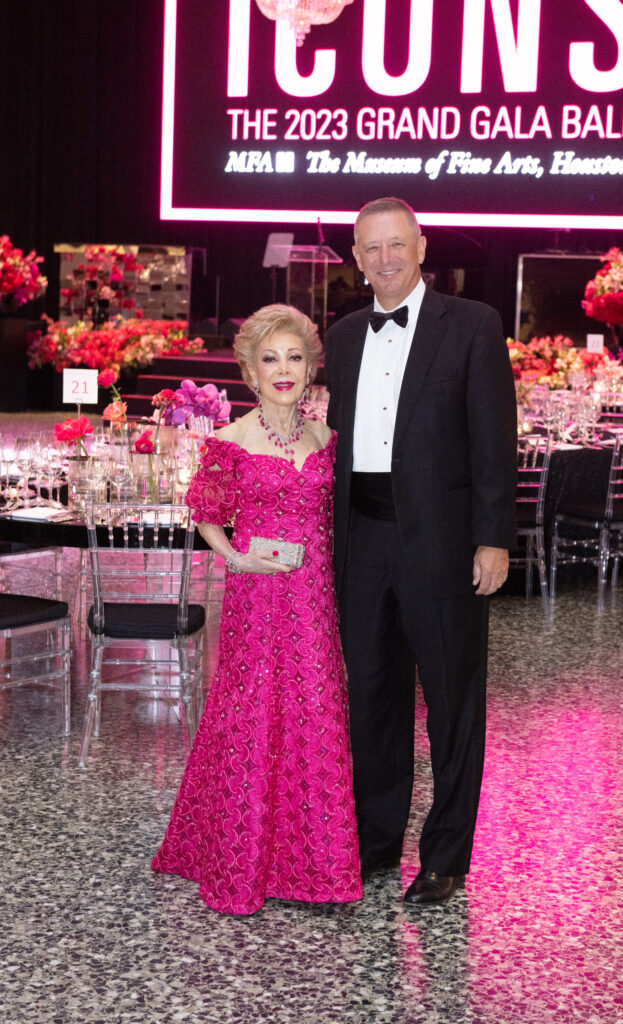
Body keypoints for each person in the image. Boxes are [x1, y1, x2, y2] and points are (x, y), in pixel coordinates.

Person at [324, 198, 517, 905]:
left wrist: (493, 536)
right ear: (355, 256)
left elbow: (496, 441)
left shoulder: (472, 326)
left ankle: (444, 856)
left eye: (395, 245)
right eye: (370, 248)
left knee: (451, 702)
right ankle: (375, 843)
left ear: (421, 245)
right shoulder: (342, 337)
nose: (384, 259)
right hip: (362, 541)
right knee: (371, 697)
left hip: (441, 542)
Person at [152, 304, 362, 915]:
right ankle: (239, 857)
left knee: (317, 709)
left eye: (295, 357)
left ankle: (316, 863)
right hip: (260, 599)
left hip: (317, 598)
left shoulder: (328, 437)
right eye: (270, 358)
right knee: (254, 712)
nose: (284, 369)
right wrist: (237, 559)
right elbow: (209, 516)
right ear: (249, 369)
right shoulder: (230, 440)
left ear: (311, 366)